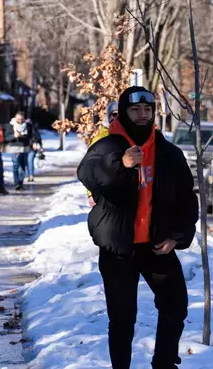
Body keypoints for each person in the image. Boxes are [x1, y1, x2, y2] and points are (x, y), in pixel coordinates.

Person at [77, 86, 198, 369]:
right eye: (135, 110)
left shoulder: (167, 152)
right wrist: (121, 164)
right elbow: (88, 173)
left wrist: (176, 236)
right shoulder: (108, 145)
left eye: (148, 110)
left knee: (175, 306)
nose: (143, 115)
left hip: (156, 246)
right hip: (119, 249)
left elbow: (186, 199)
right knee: (122, 318)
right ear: (123, 112)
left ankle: (164, 363)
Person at [87, 101, 119, 207]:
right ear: (109, 116)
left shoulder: (130, 137)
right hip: (103, 195)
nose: (117, 117)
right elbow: (88, 168)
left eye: (121, 114)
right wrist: (90, 193)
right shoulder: (99, 139)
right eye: (114, 114)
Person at [3, 111, 30, 191]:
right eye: (18, 119)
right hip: (14, 148)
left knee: (23, 166)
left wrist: (23, 137)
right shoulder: (10, 126)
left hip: (24, 148)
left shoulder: (27, 126)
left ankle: (21, 182)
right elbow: (7, 138)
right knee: (16, 165)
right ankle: (16, 183)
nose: (20, 121)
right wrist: (14, 136)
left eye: (21, 119)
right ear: (15, 118)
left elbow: (30, 136)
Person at [25, 118, 43, 183]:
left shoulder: (33, 130)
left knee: (30, 160)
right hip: (26, 147)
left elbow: (37, 137)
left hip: (32, 147)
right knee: (28, 161)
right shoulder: (23, 129)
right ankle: (29, 174)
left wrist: (40, 146)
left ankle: (31, 175)